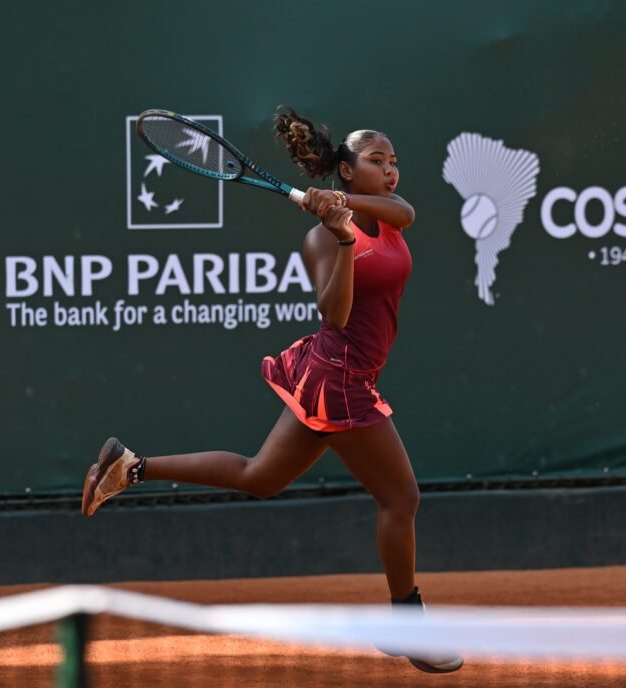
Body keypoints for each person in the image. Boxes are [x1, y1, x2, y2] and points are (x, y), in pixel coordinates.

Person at [81, 107, 463, 674]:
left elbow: (405, 210)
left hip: (342, 375)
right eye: (376, 161)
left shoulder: (389, 216)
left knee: (260, 477)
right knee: (400, 498)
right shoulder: (320, 239)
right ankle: (406, 624)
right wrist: (341, 238)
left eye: (393, 162)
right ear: (346, 168)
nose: (390, 171)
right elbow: (335, 314)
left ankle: (130, 467)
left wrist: (343, 204)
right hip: (339, 377)